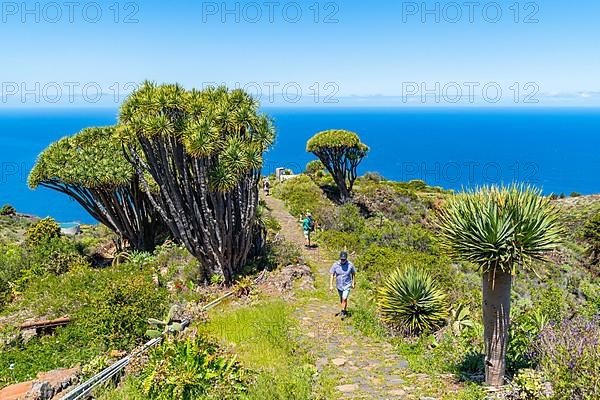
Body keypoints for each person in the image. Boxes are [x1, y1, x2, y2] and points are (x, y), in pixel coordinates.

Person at [329, 251, 356, 320]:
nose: (343, 260)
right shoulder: (335, 265)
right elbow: (332, 275)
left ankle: (343, 312)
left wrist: (353, 282)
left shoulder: (350, 265)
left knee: (344, 298)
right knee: (342, 299)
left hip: (347, 284)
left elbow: (353, 273)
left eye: (344, 259)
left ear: (346, 258)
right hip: (339, 285)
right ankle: (344, 309)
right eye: (341, 259)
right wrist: (331, 285)